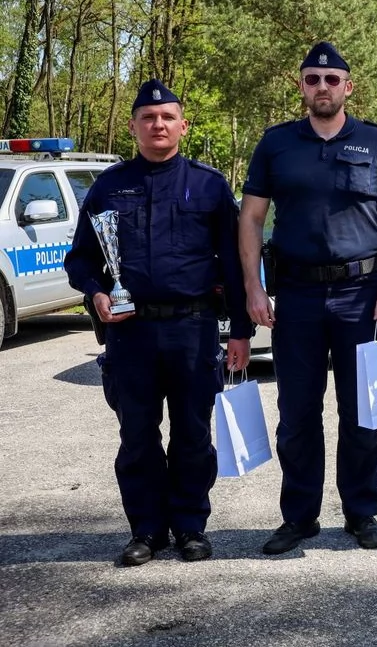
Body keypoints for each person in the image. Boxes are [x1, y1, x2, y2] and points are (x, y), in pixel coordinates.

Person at [238, 41, 377, 555]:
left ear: (347, 87)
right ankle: (299, 517)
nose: (322, 88)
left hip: (363, 294)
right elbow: (250, 218)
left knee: (364, 411)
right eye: (313, 80)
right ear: (302, 87)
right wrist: (254, 285)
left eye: (331, 80)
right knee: (297, 413)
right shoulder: (276, 144)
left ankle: (362, 513)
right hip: (295, 295)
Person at [64, 79, 252, 566]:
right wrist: (97, 293)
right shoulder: (109, 186)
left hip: (193, 329)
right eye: (148, 118)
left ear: (183, 126)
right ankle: (146, 529)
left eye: (167, 117)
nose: (158, 124)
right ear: (133, 127)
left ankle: (190, 526)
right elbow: (81, 259)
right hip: (131, 333)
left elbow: (233, 263)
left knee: (193, 433)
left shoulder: (209, 186)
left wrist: (241, 333)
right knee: (137, 435)